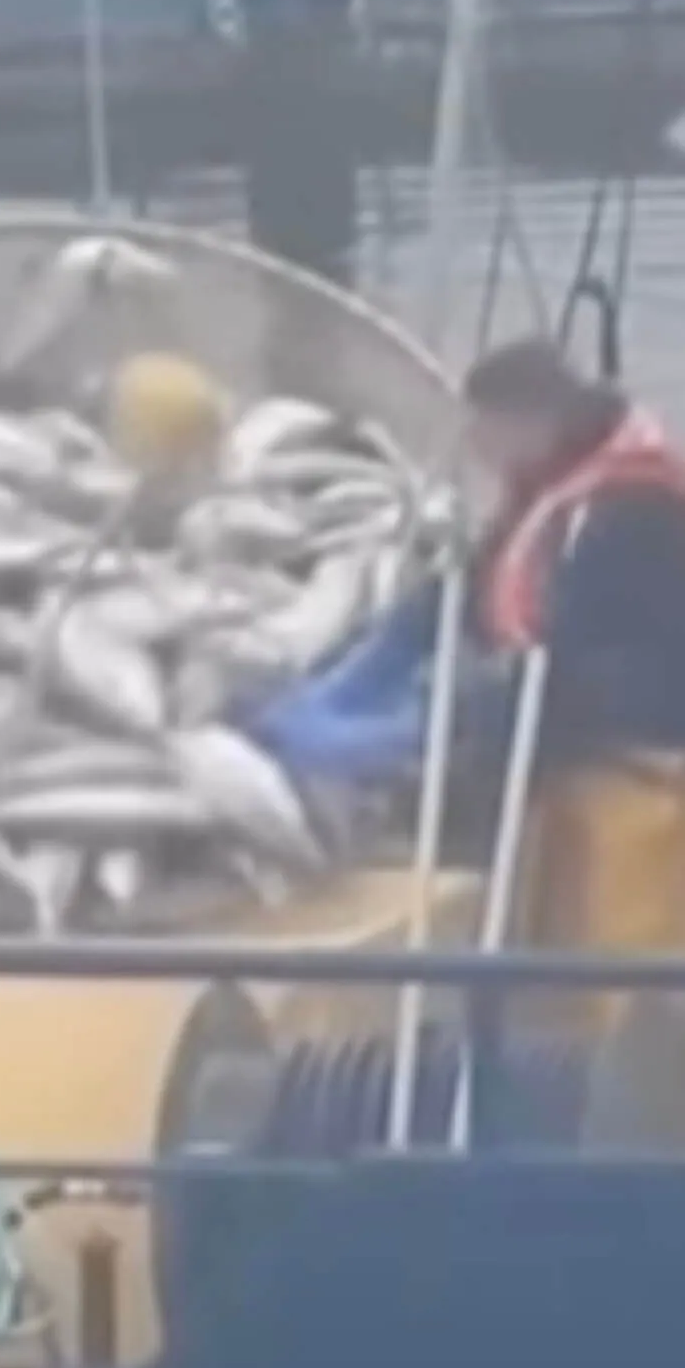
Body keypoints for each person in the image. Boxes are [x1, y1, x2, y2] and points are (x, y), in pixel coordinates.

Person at [250, 336, 685, 957]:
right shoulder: (556, 473)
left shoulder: (628, 512)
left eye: (483, 427)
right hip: (553, 744)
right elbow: (482, 581)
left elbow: (561, 679)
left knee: (605, 971)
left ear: (531, 420)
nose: (475, 447)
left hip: (633, 776)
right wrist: (373, 660)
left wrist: (416, 729)